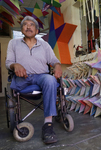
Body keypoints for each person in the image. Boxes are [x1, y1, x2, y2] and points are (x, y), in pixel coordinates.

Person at [5, 16, 62, 144]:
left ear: (37, 31)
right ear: (22, 29)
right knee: (14, 86)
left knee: (50, 80)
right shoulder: (13, 43)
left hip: (41, 76)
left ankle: (48, 126)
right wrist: (15, 65)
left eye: (32, 25)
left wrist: (57, 66)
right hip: (22, 78)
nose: (28, 26)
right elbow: (8, 62)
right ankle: (19, 120)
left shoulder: (44, 44)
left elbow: (54, 60)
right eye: (25, 24)